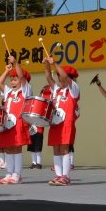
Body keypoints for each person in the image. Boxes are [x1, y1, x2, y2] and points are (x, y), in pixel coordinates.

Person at [43, 57, 80, 186]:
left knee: (64, 149)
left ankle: (66, 176)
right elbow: (48, 77)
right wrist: (47, 65)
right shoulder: (57, 89)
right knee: (56, 149)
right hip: (55, 123)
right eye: (59, 78)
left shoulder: (73, 89)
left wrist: (55, 63)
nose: (61, 80)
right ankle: (58, 175)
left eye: (63, 78)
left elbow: (66, 77)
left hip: (66, 122)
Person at [0, 56, 32, 184]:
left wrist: (16, 63)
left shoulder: (26, 90)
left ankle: (17, 174)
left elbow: (22, 77)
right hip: (8, 123)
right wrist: (7, 71)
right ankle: (9, 173)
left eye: (15, 79)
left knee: (17, 148)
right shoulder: (8, 92)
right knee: (8, 148)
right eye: (11, 80)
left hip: (19, 122)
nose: (12, 82)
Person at [27, 85, 50, 170]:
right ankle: (33, 162)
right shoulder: (34, 106)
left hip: (39, 130)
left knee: (37, 148)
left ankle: (38, 163)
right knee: (32, 148)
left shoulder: (44, 108)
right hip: (31, 130)